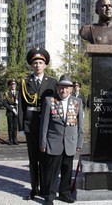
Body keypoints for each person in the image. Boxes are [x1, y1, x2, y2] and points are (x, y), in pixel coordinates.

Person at [18, 47, 57, 200]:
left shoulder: (53, 82)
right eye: (35, 63)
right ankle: (34, 188)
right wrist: (21, 126)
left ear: (45, 64)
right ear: (31, 65)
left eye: (40, 62)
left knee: (46, 159)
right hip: (31, 123)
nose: (38, 65)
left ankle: (46, 190)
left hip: (47, 125)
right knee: (33, 158)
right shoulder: (25, 82)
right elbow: (21, 105)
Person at [40, 75, 84, 205]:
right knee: (52, 171)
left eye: (66, 88)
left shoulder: (77, 102)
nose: (63, 90)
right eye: (61, 87)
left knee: (67, 170)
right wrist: (43, 143)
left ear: (71, 89)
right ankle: (49, 196)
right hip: (53, 142)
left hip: (70, 142)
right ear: (58, 88)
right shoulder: (50, 101)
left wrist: (79, 142)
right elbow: (44, 124)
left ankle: (65, 193)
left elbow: (80, 124)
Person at [3, 79, 19, 145]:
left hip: (17, 110)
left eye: (14, 84)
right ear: (10, 86)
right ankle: (10, 139)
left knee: (15, 126)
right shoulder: (6, 93)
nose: (13, 86)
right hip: (10, 111)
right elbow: (5, 103)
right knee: (10, 126)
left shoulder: (18, 93)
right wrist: (12, 109)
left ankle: (15, 139)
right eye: (12, 84)